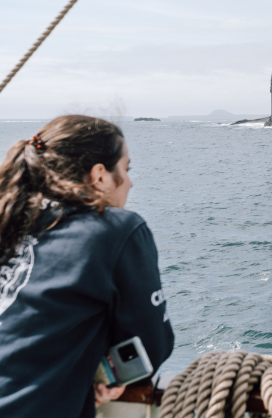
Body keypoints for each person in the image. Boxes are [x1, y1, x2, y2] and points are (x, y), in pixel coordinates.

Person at [0, 115, 174, 417]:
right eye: (126, 168)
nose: (130, 181)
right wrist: (108, 374)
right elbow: (151, 348)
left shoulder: (8, 220)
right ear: (100, 176)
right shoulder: (114, 229)